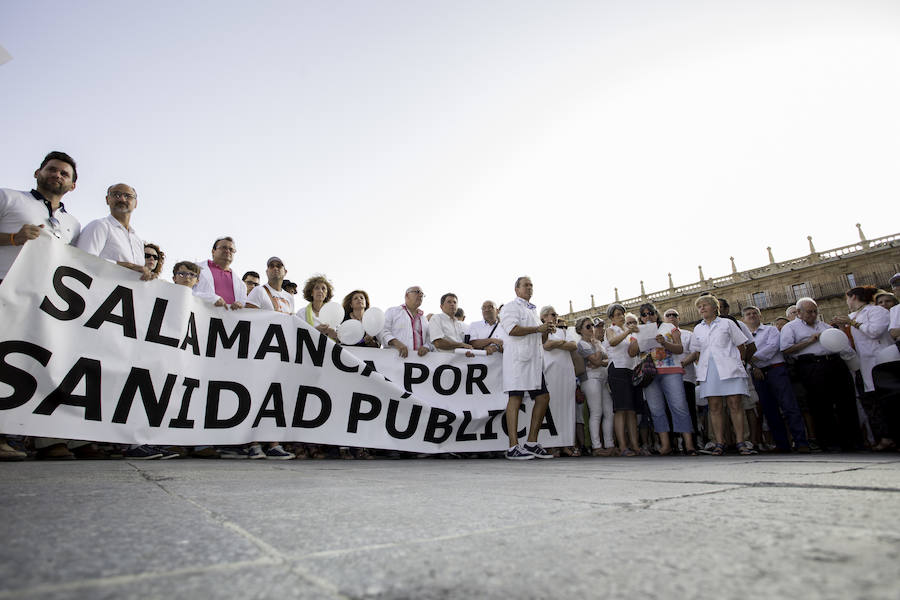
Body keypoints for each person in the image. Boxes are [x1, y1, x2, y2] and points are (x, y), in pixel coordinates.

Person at [0, 151, 81, 461]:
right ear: (38, 172)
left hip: (45, 304)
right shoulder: (8, 199)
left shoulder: (72, 224)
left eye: (64, 174)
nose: (57, 176)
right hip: (6, 289)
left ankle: (32, 437)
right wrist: (12, 238)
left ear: (73, 185)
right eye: (52, 170)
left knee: (33, 367)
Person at [780, 297, 859, 451]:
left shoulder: (824, 326)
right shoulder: (791, 328)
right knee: (821, 405)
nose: (813, 314)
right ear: (799, 313)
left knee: (845, 402)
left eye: (815, 311)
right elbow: (786, 349)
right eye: (809, 312)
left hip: (834, 363)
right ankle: (829, 442)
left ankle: (852, 441)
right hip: (811, 366)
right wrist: (810, 341)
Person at [241, 256, 296, 460]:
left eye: (278, 266)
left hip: (280, 354)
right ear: (267, 272)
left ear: (284, 272)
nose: (275, 269)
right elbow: (250, 315)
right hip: (261, 351)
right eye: (271, 266)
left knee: (276, 398)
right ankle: (253, 443)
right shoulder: (258, 291)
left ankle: (273, 443)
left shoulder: (288, 297)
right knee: (256, 396)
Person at [499, 276, 555, 460]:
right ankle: (513, 446)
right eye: (526, 285)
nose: (529, 288)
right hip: (518, 361)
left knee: (543, 397)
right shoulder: (510, 307)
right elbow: (512, 330)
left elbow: (540, 339)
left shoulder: (533, 310)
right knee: (515, 398)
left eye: (531, 285)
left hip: (534, 362)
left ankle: (531, 442)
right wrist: (538, 329)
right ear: (516, 289)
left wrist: (545, 331)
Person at [832, 286, 894, 451]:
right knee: (872, 403)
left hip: (881, 361)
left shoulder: (876, 311)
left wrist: (851, 322)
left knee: (887, 401)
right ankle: (884, 436)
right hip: (864, 365)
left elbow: (875, 331)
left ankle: (892, 436)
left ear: (853, 297)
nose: (847, 302)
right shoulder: (853, 316)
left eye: (847, 298)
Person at [691, 295, 754, 455]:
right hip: (709, 370)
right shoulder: (698, 329)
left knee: (735, 404)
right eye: (700, 307)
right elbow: (696, 352)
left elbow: (742, 345)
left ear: (714, 307)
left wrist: (737, 363)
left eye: (705, 305)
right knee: (715, 406)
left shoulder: (727, 323)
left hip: (730, 368)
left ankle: (740, 442)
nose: (702, 308)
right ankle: (720, 442)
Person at [742, 305, 810, 453]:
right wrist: (755, 367)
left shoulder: (771, 330)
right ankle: (782, 444)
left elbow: (773, 347)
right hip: (758, 373)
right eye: (748, 314)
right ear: (744, 319)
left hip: (776, 370)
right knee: (769, 409)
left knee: (789, 406)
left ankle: (801, 442)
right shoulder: (745, 338)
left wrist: (753, 360)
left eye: (755, 313)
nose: (752, 316)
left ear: (761, 316)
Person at [637, 303, 697, 455]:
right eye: (644, 315)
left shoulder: (669, 328)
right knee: (656, 409)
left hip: (671, 371)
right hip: (650, 374)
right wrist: (639, 340)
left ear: (656, 314)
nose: (648, 316)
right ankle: (666, 445)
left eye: (650, 313)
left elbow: (680, 348)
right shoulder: (638, 331)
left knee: (679, 406)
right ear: (641, 318)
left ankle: (689, 444)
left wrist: (664, 343)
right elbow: (632, 352)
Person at [76, 184, 156, 281]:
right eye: (116, 195)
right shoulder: (99, 226)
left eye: (128, 196)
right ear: (107, 199)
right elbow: (82, 260)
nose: (122, 199)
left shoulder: (137, 240)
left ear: (136, 203)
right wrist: (126, 266)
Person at [540, 306, 577, 457]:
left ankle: (566, 443)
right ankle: (551, 445)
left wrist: (557, 343)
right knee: (552, 409)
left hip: (567, 373)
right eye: (552, 314)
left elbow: (573, 345)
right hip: (550, 373)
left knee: (568, 408)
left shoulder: (563, 331)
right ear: (543, 318)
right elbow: (545, 346)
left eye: (556, 315)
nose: (555, 317)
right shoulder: (541, 333)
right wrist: (562, 344)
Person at [605, 304, 641, 456]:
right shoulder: (611, 330)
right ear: (612, 317)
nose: (621, 316)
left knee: (631, 410)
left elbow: (632, 353)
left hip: (630, 370)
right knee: (620, 410)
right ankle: (623, 446)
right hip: (617, 370)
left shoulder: (629, 333)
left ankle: (635, 445)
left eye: (622, 314)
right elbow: (613, 342)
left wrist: (638, 339)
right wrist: (628, 332)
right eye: (618, 314)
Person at [575, 317, 614, 456]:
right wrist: (598, 354)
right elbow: (598, 360)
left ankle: (609, 444)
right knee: (596, 412)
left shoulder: (596, 343)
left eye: (592, 325)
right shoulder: (582, 344)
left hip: (602, 379)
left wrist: (599, 361)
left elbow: (605, 361)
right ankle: (596, 446)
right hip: (590, 379)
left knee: (609, 412)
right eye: (588, 326)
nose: (592, 328)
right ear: (580, 330)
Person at [193, 236, 247, 309]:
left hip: (227, 319)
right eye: (224, 248)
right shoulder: (195, 268)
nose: (228, 251)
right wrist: (210, 298)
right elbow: (185, 292)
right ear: (213, 251)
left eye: (231, 250)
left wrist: (240, 305)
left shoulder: (241, 284)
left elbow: (244, 305)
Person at [381, 286, 431, 358]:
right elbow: (383, 331)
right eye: (417, 292)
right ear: (407, 295)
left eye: (422, 294)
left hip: (418, 361)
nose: (420, 295)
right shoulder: (392, 311)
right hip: (394, 359)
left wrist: (426, 347)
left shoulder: (424, 319)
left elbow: (429, 339)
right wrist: (396, 343)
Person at [300, 274, 339, 341]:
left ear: (326, 294)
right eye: (317, 288)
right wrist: (316, 330)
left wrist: (335, 335)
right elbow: (298, 334)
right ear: (311, 293)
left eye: (323, 288)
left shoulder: (333, 313)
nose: (320, 291)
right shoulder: (302, 313)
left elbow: (340, 337)